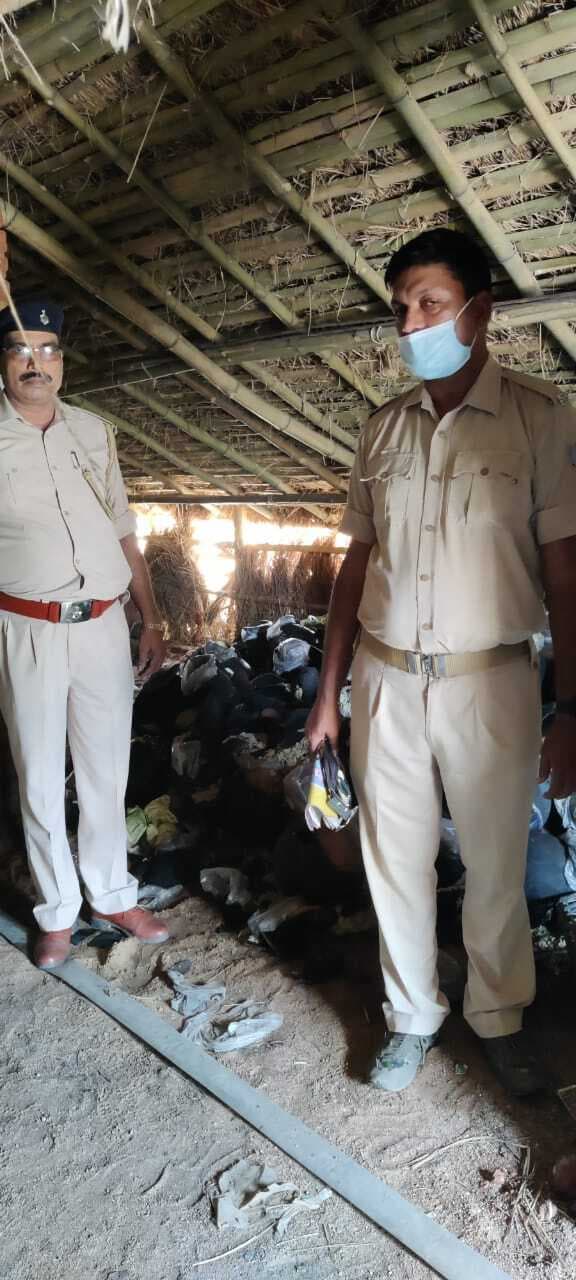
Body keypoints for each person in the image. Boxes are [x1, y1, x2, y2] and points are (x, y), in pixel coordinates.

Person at [307, 229, 576, 1096]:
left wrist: (571, 710)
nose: (411, 324)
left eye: (430, 303)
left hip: (491, 681)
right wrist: (328, 696)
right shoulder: (382, 429)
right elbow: (354, 568)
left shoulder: (540, 419)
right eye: (401, 309)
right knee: (395, 857)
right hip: (385, 676)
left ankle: (499, 1016)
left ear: (478, 310)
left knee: (496, 862)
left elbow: (566, 576)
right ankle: (411, 1016)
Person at [0, 294, 171, 969]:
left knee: (107, 767)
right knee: (40, 776)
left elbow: (123, 528)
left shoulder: (93, 432)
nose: (35, 364)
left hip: (102, 622)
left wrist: (150, 616)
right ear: (3, 364)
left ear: (62, 364)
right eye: (20, 351)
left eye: (47, 352)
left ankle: (112, 894)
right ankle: (56, 913)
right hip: (26, 628)